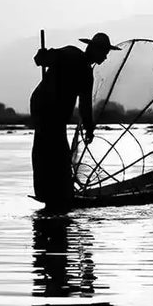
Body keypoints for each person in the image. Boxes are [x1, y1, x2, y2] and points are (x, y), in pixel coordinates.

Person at [30, 31, 120, 210]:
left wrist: (89, 128)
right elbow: (42, 59)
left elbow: (85, 105)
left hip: (51, 112)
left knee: (50, 151)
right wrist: (43, 55)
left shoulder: (86, 73)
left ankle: (52, 195)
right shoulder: (71, 54)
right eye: (103, 52)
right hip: (46, 109)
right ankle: (56, 195)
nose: (105, 57)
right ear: (93, 49)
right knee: (53, 152)